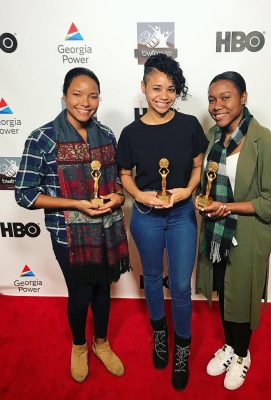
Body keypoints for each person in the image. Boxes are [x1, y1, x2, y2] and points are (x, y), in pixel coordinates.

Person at [15, 67, 130, 383]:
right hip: (68, 234)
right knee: (80, 293)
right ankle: (80, 346)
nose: (86, 102)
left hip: (106, 230)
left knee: (103, 290)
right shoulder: (42, 138)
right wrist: (75, 203)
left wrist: (117, 200)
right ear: (64, 96)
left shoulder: (106, 135)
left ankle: (101, 342)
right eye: (77, 94)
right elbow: (25, 195)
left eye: (93, 95)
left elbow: (117, 186)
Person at [116, 53, 208, 390]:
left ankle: (182, 347)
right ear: (143, 88)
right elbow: (125, 175)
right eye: (156, 88)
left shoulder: (189, 126)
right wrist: (139, 195)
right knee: (152, 278)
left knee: (181, 286)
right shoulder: (130, 133)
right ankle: (160, 333)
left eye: (171, 89)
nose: (163, 96)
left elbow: (199, 167)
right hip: (145, 216)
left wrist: (186, 191)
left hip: (182, 213)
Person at [195, 71, 271, 391]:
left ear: (243, 98)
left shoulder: (265, 141)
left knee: (242, 293)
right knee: (223, 287)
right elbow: (205, 182)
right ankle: (230, 346)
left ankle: (243, 354)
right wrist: (200, 201)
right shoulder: (212, 137)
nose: (216, 105)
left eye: (225, 97)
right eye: (211, 99)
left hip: (247, 233)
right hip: (216, 231)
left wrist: (228, 208)